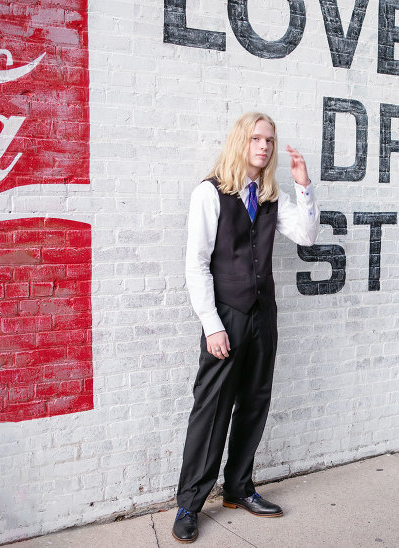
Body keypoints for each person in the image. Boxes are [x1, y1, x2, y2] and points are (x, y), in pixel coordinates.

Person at [172, 112, 319, 543]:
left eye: (269, 140)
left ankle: (238, 487)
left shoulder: (272, 195)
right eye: (256, 138)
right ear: (241, 141)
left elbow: (307, 236)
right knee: (212, 409)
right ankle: (189, 503)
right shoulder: (210, 192)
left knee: (254, 403)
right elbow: (196, 264)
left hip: (262, 314)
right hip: (226, 316)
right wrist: (212, 324)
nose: (264, 146)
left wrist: (304, 186)